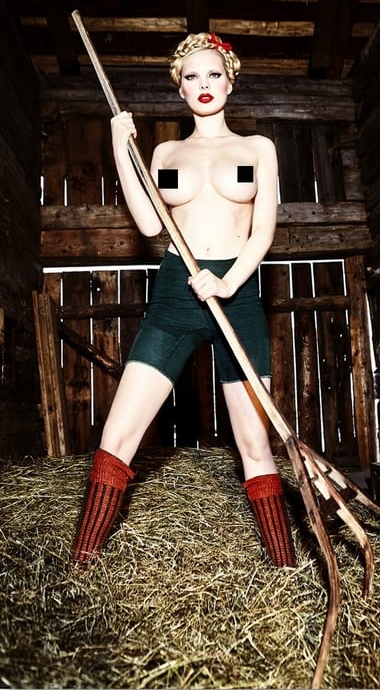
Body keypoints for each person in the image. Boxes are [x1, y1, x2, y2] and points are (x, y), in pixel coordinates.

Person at [71, 32, 296, 568]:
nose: (204, 84)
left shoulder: (255, 150)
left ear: (230, 81)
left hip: (237, 296)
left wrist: (229, 282)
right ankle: (79, 567)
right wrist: (120, 149)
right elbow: (152, 224)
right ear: (180, 88)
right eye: (192, 77)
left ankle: (286, 570)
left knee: (255, 443)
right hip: (176, 294)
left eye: (214, 74)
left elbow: (263, 232)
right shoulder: (168, 153)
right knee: (119, 431)